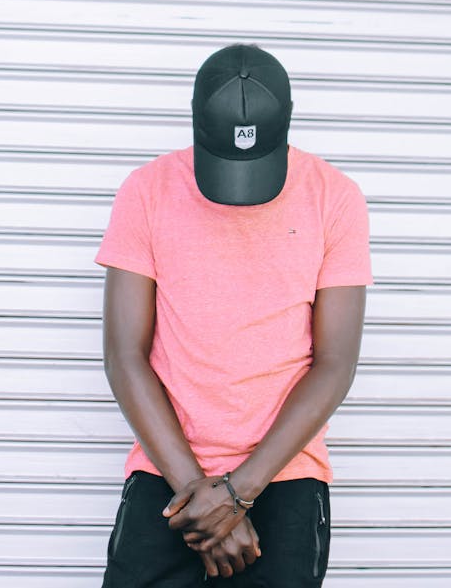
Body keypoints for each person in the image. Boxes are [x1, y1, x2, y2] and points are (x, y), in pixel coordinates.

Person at [95, 42, 373, 587]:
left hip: (284, 475)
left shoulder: (335, 198)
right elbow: (125, 355)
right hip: (166, 472)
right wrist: (201, 497)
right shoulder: (146, 191)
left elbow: (335, 363)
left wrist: (238, 491)